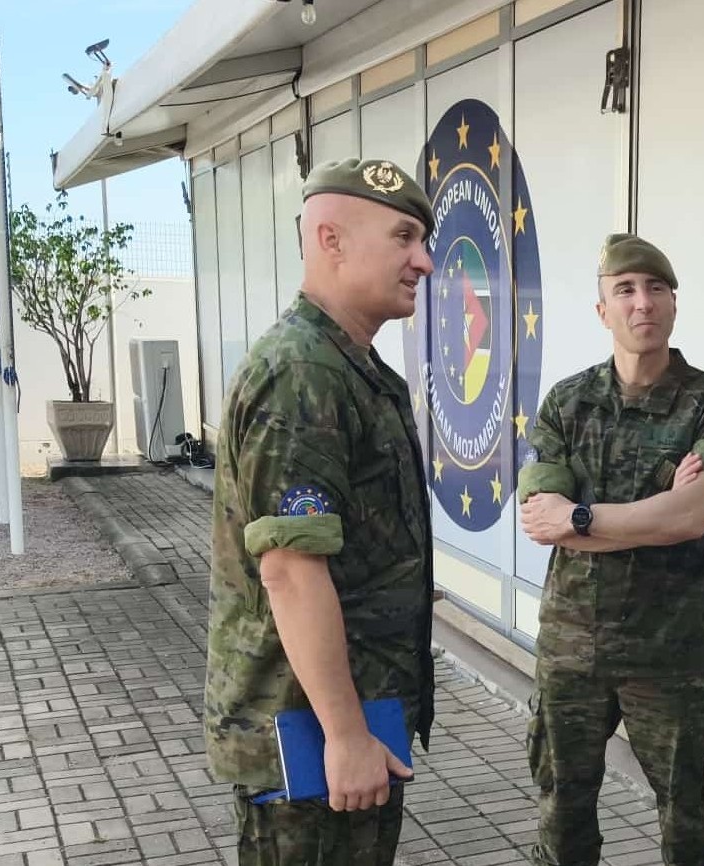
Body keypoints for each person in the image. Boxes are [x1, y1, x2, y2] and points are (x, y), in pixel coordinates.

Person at [204, 157, 437, 866]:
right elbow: (290, 572)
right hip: (307, 740)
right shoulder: (303, 373)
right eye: (403, 237)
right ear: (330, 239)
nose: (423, 262)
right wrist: (343, 735)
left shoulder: (344, 368)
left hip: (348, 720)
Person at [518, 232, 704, 866]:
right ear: (603, 311)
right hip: (570, 648)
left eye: (656, 290)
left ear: (674, 305)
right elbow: (541, 520)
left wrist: (583, 517)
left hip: (667, 653)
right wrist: (649, 512)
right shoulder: (566, 403)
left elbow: (689, 517)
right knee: (562, 810)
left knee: (691, 818)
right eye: (625, 291)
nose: (641, 303)